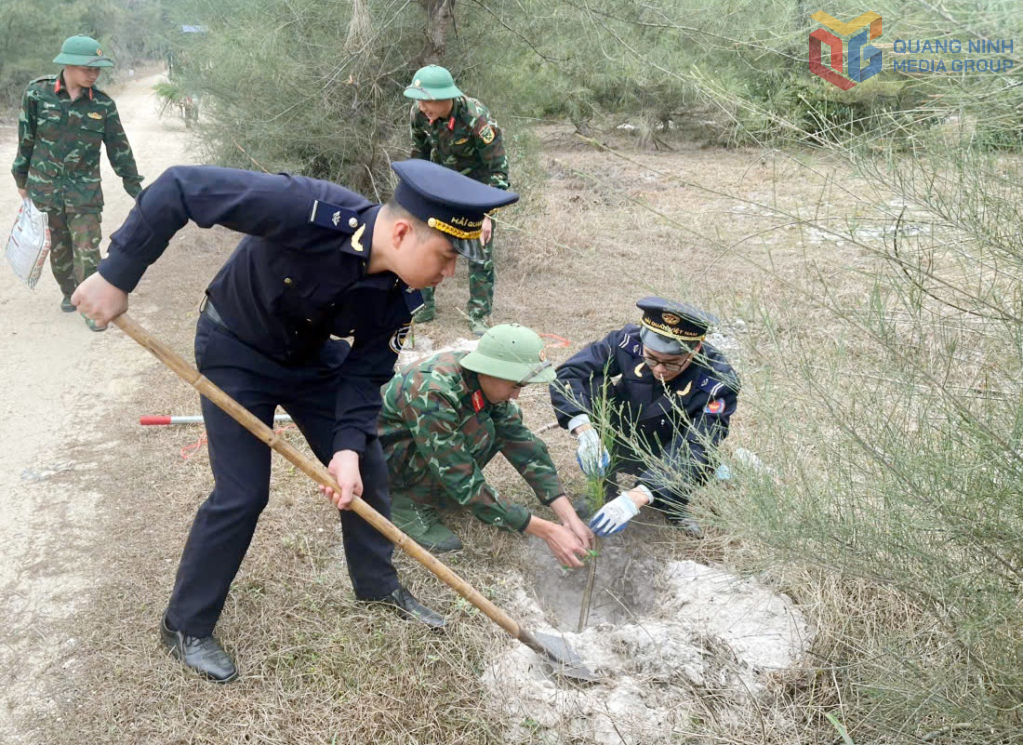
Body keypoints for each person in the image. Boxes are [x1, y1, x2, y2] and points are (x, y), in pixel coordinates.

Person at [73, 159, 518, 683]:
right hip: (234, 349)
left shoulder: (402, 292)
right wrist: (116, 274)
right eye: (446, 257)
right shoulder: (308, 209)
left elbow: (366, 370)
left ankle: (376, 583)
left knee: (368, 463)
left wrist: (347, 448)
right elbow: (181, 186)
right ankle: (185, 625)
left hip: (308, 358)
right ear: (402, 231)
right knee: (242, 493)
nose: (449, 274)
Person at [378, 324, 594, 566]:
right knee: (477, 431)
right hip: (384, 462)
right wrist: (545, 530)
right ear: (491, 370)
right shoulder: (433, 392)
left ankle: (427, 492)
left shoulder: (481, 378)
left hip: (421, 449)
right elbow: (461, 479)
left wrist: (568, 515)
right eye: (515, 386)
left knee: (500, 424)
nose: (516, 395)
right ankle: (405, 502)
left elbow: (521, 443)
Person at [550, 297, 740, 537]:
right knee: (594, 382)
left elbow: (696, 445)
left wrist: (638, 496)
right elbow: (569, 374)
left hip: (670, 447)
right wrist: (585, 431)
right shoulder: (627, 342)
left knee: (702, 457)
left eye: (672, 363)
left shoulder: (717, 381)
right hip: (623, 432)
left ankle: (669, 502)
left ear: (696, 349)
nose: (659, 369)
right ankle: (602, 488)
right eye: (651, 358)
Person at [11, 35, 143, 330]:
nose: (93, 74)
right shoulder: (36, 94)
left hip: (84, 193)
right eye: (87, 68)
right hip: (45, 190)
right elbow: (26, 140)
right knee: (59, 250)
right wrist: (21, 178)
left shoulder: (103, 105)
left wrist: (135, 188)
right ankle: (69, 293)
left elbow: (119, 148)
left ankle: (92, 307)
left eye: (97, 69)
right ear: (68, 65)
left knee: (87, 248)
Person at [403, 65, 509, 336]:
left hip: (476, 195)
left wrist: (488, 214)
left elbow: (498, 171)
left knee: (479, 255)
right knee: (426, 246)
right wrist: (416, 199)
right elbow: (418, 160)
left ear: (444, 97)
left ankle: (478, 315)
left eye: (426, 100)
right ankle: (422, 307)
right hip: (439, 192)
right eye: (419, 100)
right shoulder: (419, 115)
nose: (422, 106)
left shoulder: (477, 119)